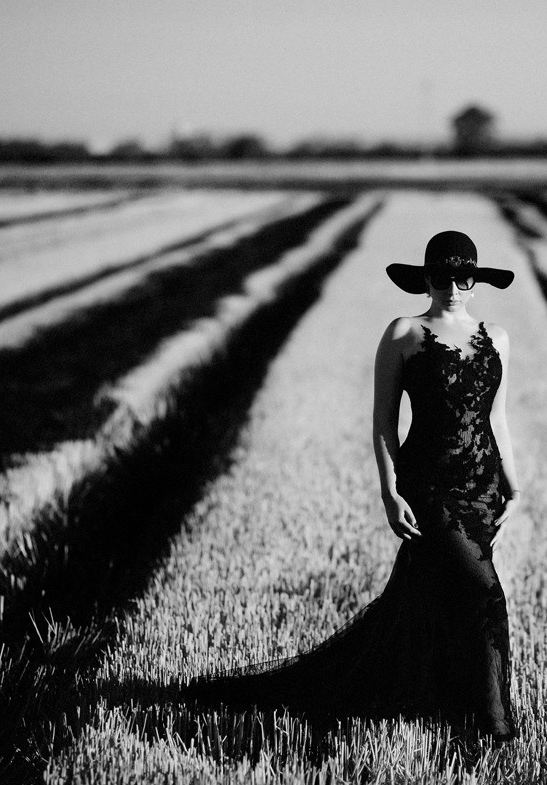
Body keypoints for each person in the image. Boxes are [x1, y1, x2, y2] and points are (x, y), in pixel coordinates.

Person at [183, 230, 522, 743]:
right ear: (426, 280)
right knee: (485, 594)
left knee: (438, 595)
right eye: (441, 277)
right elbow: (384, 420)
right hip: (429, 487)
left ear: (476, 281)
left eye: (463, 277)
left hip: (483, 490)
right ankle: (493, 725)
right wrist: (390, 491)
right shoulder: (404, 332)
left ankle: (440, 702)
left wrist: (515, 488)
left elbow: (496, 418)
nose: (453, 287)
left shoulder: (497, 337)